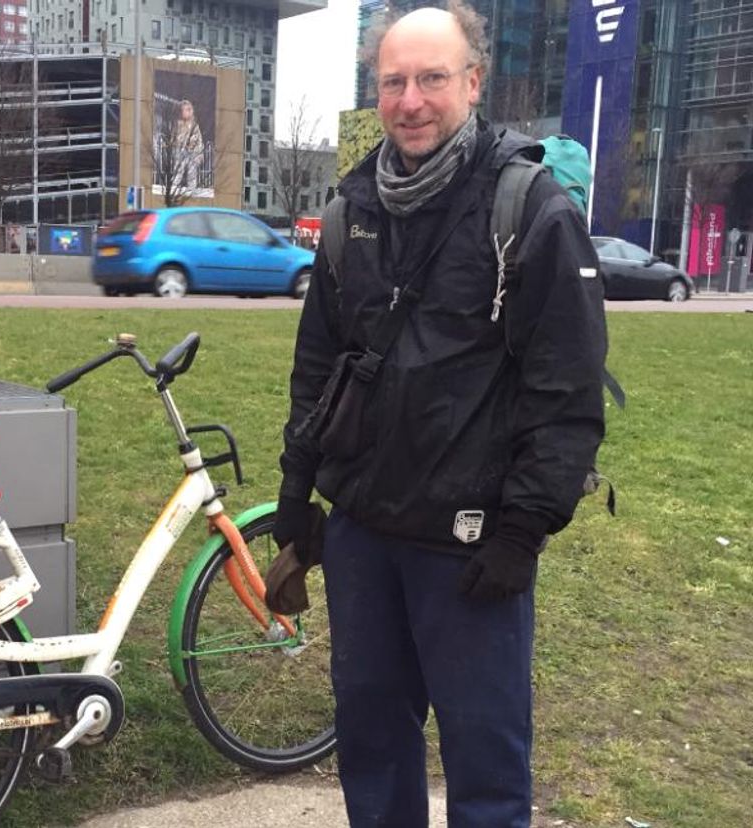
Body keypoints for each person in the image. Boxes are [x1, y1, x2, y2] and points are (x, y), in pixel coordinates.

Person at [270, 2, 607, 826]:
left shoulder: (529, 210)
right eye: (393, 82)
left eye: (431, 79)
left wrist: (523, 531)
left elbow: (566, 395)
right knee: (372, 744)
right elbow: (318, 365)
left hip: (469, 548)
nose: (410, 100)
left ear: (473, 81)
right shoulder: (352, 213)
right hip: (363, 538)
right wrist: (296, 490)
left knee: (485, 761)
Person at [174, 99, 205, 189]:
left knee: (192, 173)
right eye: (185, 109)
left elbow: (198, 140)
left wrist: (199, 153)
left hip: (193, 153)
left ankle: (191, 190)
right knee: (178, 171)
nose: (188, 112)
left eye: (189, 109)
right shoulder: (178, 124)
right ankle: (174, 187)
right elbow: (176, 138)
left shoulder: (194, 125)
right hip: (181, 152)